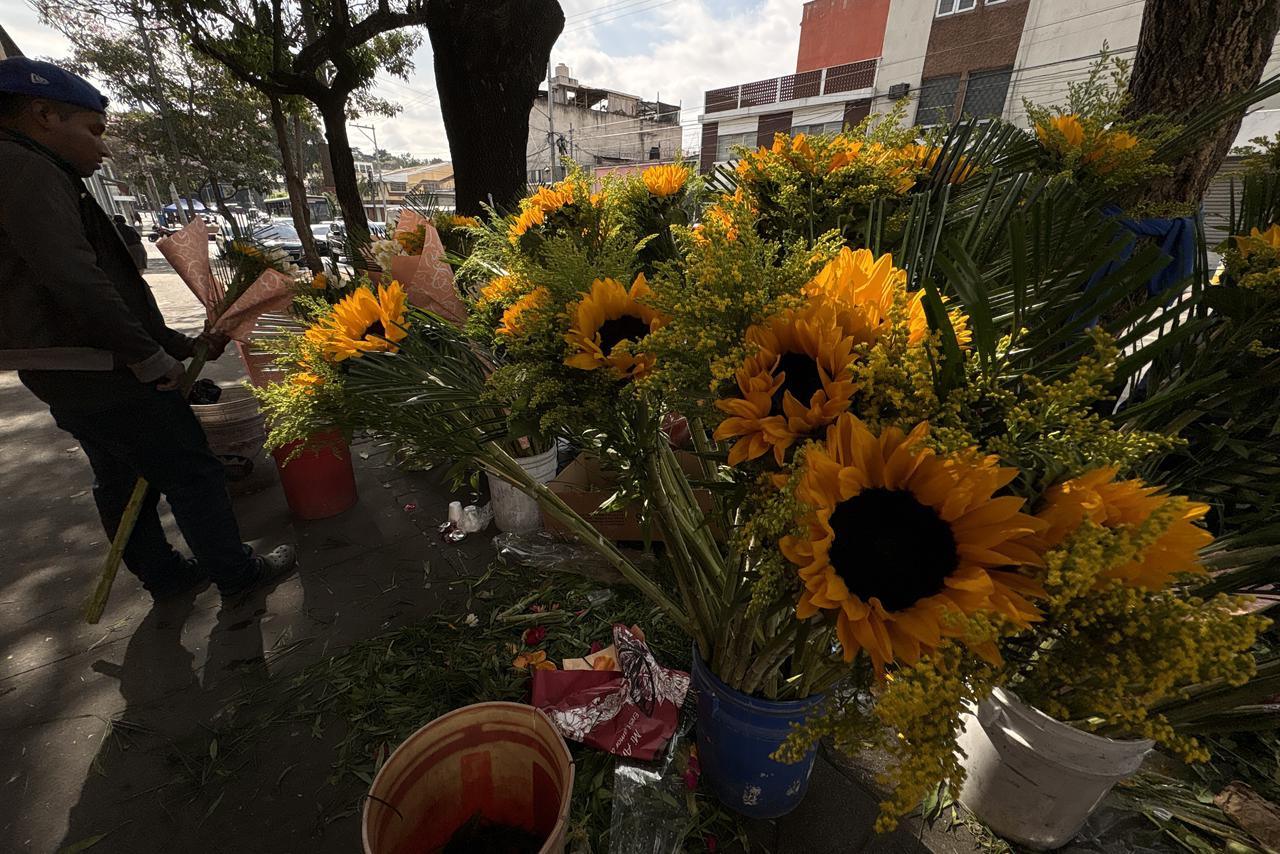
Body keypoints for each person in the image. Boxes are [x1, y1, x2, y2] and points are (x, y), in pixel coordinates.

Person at [0, 58, 296, 602]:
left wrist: (176, 343)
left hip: (70, 369)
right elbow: (76, 279)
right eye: (93, 131)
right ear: (42, 114)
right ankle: (237, 575)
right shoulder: (25, 169)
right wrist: (149, 357)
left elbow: (100, 284)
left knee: (117, 475)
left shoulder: (29, 167)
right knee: (190, 469)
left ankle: (164, 575)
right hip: (101, 369)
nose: (103, 148)